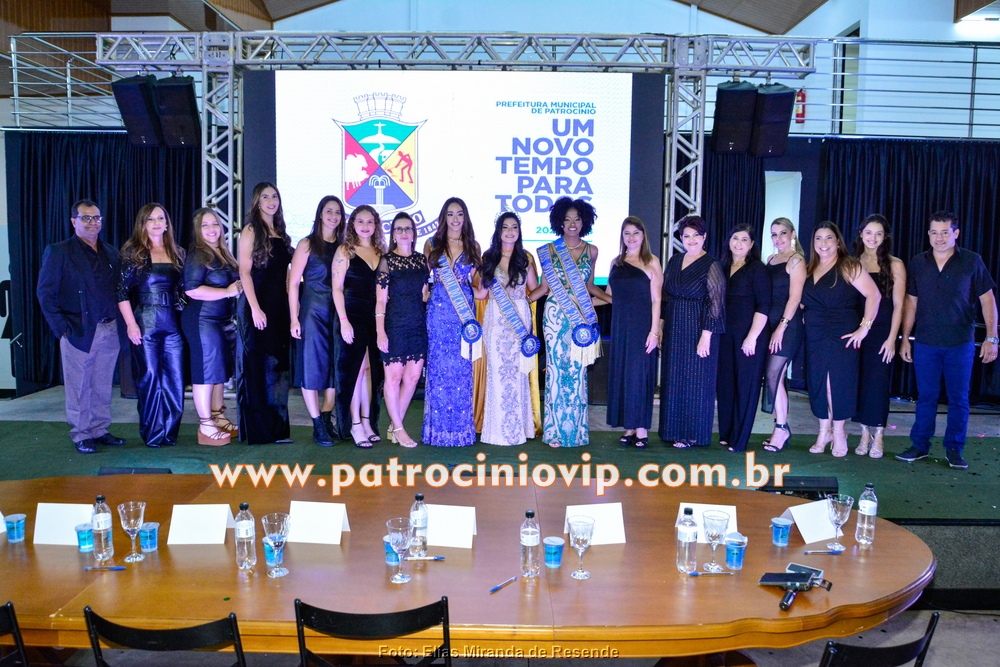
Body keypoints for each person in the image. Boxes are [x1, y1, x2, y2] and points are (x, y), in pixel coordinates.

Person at [897, 211, 998, 470]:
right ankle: (919, 446)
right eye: (934, 232)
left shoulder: (972, 261)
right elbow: (911, 302)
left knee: (959, 399)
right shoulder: (918, 262)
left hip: (960, 343)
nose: (939, 237)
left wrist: (992, 338)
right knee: (926, 397)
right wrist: (905, 338)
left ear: (956, 233)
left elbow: (988, 300)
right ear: (928, 234)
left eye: (945, 232)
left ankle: (954, 449)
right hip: (926, 342)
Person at [37, 199, 126, 454]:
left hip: (109, 328)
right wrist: (62, 329)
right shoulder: (59, 252)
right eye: (86, 218)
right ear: (73, 221)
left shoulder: (111, 252)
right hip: (79, 329)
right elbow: (45, 293)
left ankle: (99, 429)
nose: (92, 222)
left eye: (96, 218)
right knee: (79, 385)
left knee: (102, 383)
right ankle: (81, 433)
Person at [530, 197, 609, 448]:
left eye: (577, 219)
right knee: (555, 371)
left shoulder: (592, 250)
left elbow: (589, 286)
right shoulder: (548, 250)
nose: (572, 224)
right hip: (555, 317)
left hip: (580, 319)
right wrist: (520, 300)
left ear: (584, 222)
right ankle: (554, 432)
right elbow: (544, 288)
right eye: (567, 219)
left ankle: (576, 432)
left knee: (577, 371)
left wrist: (612, 299)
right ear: (559, 222)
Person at [802, 221, 881, 458]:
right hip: (815, 333)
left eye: (829, 238)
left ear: (838, 242)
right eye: (818, 238)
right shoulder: (809, 268)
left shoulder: (848, 265)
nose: (823, 243)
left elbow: (873, 295)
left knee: (836, 384)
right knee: (818, 382)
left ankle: (839, 432)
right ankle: (823, 432)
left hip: (841, 332)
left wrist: (864, 328)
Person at [117, 203, 186, 448]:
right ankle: (153, 433)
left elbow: (184, 290)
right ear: (143, 224)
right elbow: (121, 292)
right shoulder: (133, 253)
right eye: (151, 219)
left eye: (161, 218)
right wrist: (130, 324)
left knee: (175, 379)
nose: (157, 223)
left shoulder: (178, 252)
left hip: (173, 323)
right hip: (145, 322)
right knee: (150, 378)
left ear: (167, 223)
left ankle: (169, 433)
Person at [422, 197, 487, 447]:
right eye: (450, 214)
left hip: (463, 315)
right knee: (438, 370)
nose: (455, 219)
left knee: (461, 371)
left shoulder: (473, 246)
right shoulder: (432, 244)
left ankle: (460, 431)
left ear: (465, 217)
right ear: (443, 217)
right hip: (438, 312)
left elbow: (479, 287)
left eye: (459, 214)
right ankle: (436, 431)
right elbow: (423, 280)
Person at [658, 216, 725, 448]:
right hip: (674, 327)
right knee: (674, 378)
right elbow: (665, 295)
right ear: (681, 238)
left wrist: (706, 336)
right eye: (686, 235)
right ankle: (673, 431)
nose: (691, 240)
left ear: (704, 237)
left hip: (699, 329)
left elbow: (716, 304)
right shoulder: (675, 260)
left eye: (696, 235)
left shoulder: (712, 264)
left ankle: (693, 434)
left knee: (697, 381)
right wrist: (661, 324)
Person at [237, 182, 293, 445]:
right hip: (258, 306)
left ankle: (278, 430)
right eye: (265, 197)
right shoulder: (251, 230)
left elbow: (286, 275)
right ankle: (260, 432)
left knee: (279, 369)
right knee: (259, 368)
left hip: (280, 307)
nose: (271, 201)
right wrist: (255, 308)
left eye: (274, 196)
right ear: (257, 202)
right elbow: (244, 272)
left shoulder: (280, 231)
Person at [181, 208, 241, 446]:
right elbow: (191, 289)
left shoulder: (223, 252)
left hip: (222, 320)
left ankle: (218, 416)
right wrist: (227, 291)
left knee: (218, 371)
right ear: (198, 230)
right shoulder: (198, 254)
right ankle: (205, 425)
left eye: (215, 224)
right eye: (205, 225)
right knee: (206, 372)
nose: (211, 229)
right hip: (202, 320)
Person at [479, 210, 539, 447]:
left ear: (519, 231)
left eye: (514, 227)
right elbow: (482, 293)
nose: (510, 231)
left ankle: (517, 430)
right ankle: (496, 432)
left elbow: (536, 288)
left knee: (517, 374)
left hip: (519, 322)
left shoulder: (525, 258)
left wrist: (526, 300)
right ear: (499, 231)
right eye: (505, 227)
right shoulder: (488, 257)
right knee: (498, 373)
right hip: (495, 321)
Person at [289, 195, 344, 446]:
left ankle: (326, 415)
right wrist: (294, 318)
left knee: (334, 367)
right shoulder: (307, 244)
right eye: (329, 211)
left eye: (338, 212)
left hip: (337, 314)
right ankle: (317, 424)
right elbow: (293, 283)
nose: (333, 216)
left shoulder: (344, 246)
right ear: (320, 213)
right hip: (312, 313)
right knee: (311, 368)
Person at [605, 216, 662, 450]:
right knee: (623, 375)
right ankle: (628, 426)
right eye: (627, 233)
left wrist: (654, 332)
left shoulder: (652, 261)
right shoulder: (615, 262)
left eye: (636, 233)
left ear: (643, 235)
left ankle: (641, 429)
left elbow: (657, 299)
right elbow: (610, 296)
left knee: (639, 376)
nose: (631, 237)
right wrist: (580, 301)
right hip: (620, 327)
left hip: (642, 327)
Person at [851, 214, 906, 459]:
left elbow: (899, 305)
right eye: (868, 233)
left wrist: (892, 338)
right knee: (859, 383)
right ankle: (864, 433)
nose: (872, 238)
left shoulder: (895, 264)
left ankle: (879, 435)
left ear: (885, 237)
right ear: (860, 234)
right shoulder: (852, 262)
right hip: (856, 331)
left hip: (882, 331)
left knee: (878, 384)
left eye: (878, 233)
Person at [332, 204, 385, 447]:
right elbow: (336, 288)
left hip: (373, 319)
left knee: (369, 371)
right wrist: (344, 321)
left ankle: (366, 422)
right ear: (353, 224)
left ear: (376, 225)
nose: (365, 226)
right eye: (360, 221)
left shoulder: (381, 252)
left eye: (370, 221)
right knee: (355, 370)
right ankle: (354, 424)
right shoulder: (345, 250)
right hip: (350, 317)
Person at [376, 212, 429, 448]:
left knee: (413, 377)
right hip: (394, 325)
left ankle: (393, 426)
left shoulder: (421, 260)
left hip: (417, 325)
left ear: (414, 233)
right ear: (393, 234)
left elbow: (424, 294)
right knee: (394, 377)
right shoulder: (387, 261)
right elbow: (380, 301)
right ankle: (399, 429)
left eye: (408, 228)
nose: (404, 232)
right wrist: (380, 331)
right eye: (399, 229)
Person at [717, 224, 771, 453]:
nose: (738, 243)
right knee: (726, 384)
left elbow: (764, 305)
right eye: (735, 238)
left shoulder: (757, 269)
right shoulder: (722, 266)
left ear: (751, 245)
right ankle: (727, 433)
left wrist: (752, 337)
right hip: (725, 335)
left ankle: (739, 440)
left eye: (744, 240)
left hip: (750, 336)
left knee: (745, 387)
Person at [760, 218, 807, 453]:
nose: (778, 238)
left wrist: (781, 327)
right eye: (774, 234)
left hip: (787, 326)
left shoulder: (796, 260)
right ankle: (779, 427)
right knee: (774, 378)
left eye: (782, 233)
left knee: (773, 375)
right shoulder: (770, 260)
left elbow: (795, 298)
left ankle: (781, 428)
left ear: (792, 234)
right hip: (770, 324)